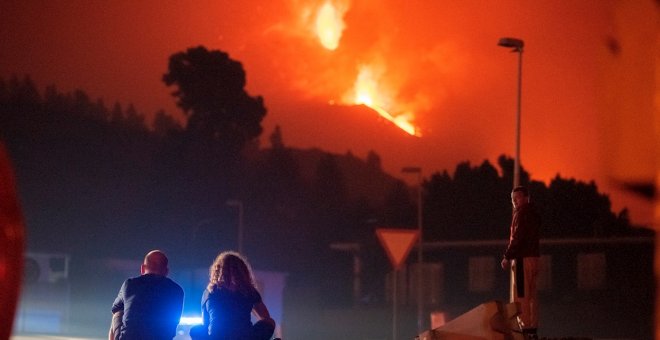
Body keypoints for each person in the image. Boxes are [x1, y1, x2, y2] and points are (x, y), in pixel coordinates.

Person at [194, 251, 275, 340]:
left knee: (196, 330)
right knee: (270, 322)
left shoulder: (209, 292)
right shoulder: (248, 291)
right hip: (244, 338)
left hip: (217, 338)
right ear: (242, 271)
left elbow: (205, 324)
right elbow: (265, 317)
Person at [109, 250, 184, 340]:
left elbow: (116, 309)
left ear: (142, 268)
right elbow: (174, 323)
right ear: (166, 271)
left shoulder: (130, 284)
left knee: (118, 311)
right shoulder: (177, 290)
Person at [501, 186, 541, 339]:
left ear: (526, 198)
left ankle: (524, 329)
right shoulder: (534, 213)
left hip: (522, 259)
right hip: (534, 258)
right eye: (512, 199)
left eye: (517, 198)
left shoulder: (522, 214)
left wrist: (507, 256)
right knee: (532, 295)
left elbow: (517, 238)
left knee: (521, 295)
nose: (514, 202)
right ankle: (532, 328)